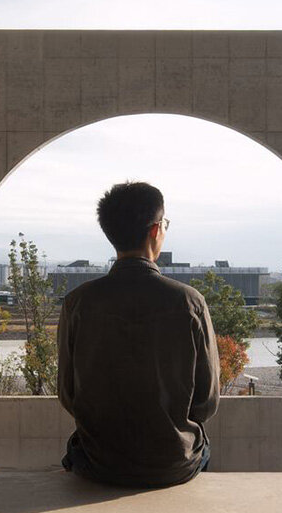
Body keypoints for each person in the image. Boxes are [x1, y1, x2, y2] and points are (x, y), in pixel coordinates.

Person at [57, 181, 220, 488]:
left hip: (99, 463)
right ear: (156, 230)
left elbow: (68, 394)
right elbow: (206, 402)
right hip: (174, 463)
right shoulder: (189, 302)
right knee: (201, 448)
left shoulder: (78, 302)